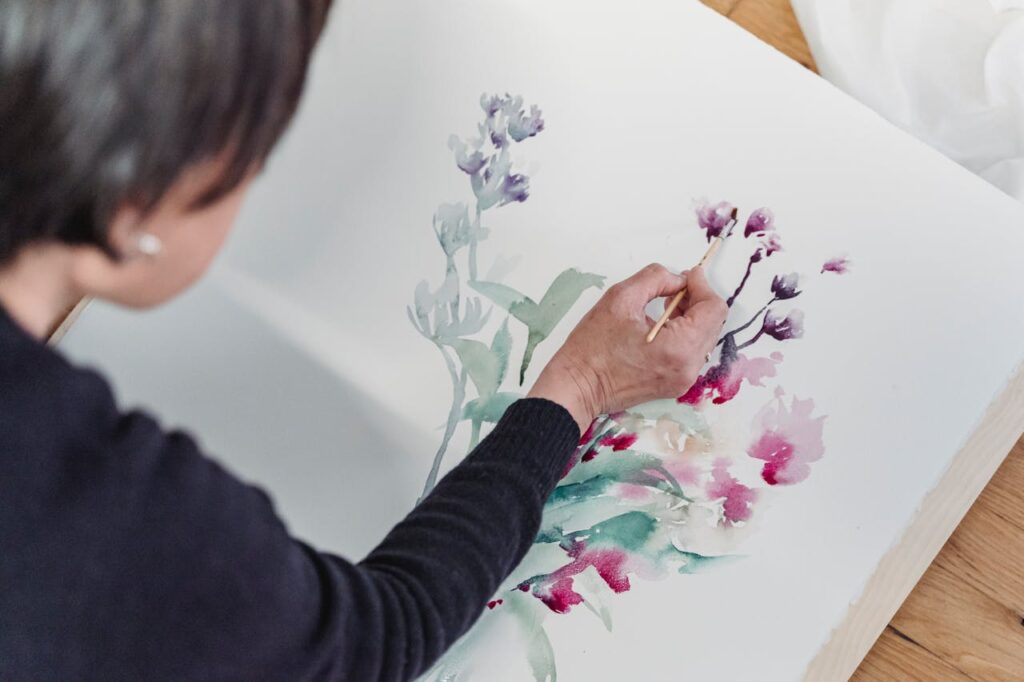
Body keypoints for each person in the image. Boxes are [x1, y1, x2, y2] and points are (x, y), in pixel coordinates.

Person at [0, 1, 728, 680]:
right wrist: (580, 387)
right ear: (135, 213)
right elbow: (377, 636)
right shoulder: (107, 526)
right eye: (252, 159)